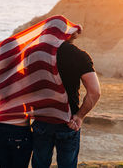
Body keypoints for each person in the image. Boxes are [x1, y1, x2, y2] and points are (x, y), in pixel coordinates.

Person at [31, 29, 101, 168]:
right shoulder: (79, 56)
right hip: (69, 121)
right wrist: (80, 116)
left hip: (42, 120)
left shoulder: (36, 55)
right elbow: (95, 92)